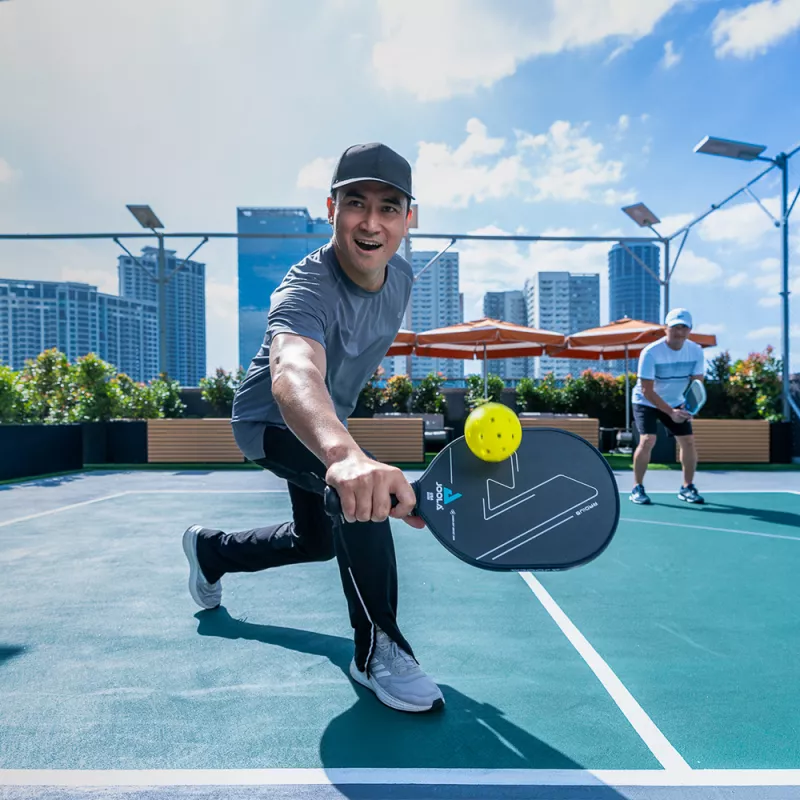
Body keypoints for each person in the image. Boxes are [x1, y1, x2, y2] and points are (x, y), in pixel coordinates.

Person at [181, 142, 444, 714]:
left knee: (319, 540)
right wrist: (344, 455)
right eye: (356, 204)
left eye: (389, 207)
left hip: (327, 426)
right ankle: (379, 648)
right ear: (332, 209)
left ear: (408, 218)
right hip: (269, 422)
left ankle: (211, 552)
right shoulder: (305, 287)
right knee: (360, 495)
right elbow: (293, 371)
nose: (371, 223)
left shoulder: (401, 281)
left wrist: (340, 445)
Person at [629, 308, 705, 506]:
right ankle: (637, 487)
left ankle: (687, 487)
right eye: (675, 327)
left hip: (676, 401)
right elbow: (647, 390)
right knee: (648, 440)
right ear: (665, 329)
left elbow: (697, 384)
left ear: (690, 330)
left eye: (683, 328)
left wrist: (690, 409)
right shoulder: (650, 353)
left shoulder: (696, 351)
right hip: (645, 400)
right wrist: (670, 412)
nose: (679, 332)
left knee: (688, 441)